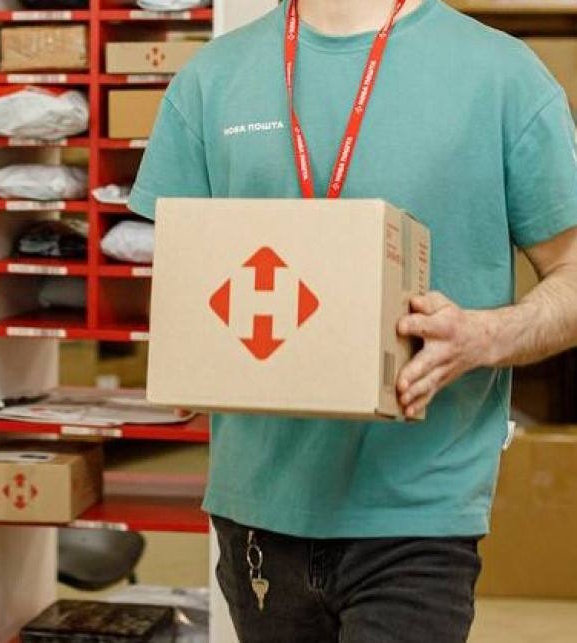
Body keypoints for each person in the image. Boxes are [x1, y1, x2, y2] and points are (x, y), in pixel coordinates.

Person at [128, 0, 577, 641]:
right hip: (256, 512)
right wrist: (190, 351)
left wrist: (485, 337)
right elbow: (183, 270)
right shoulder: (211, 79)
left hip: (417, 512)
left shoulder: (502, 75)